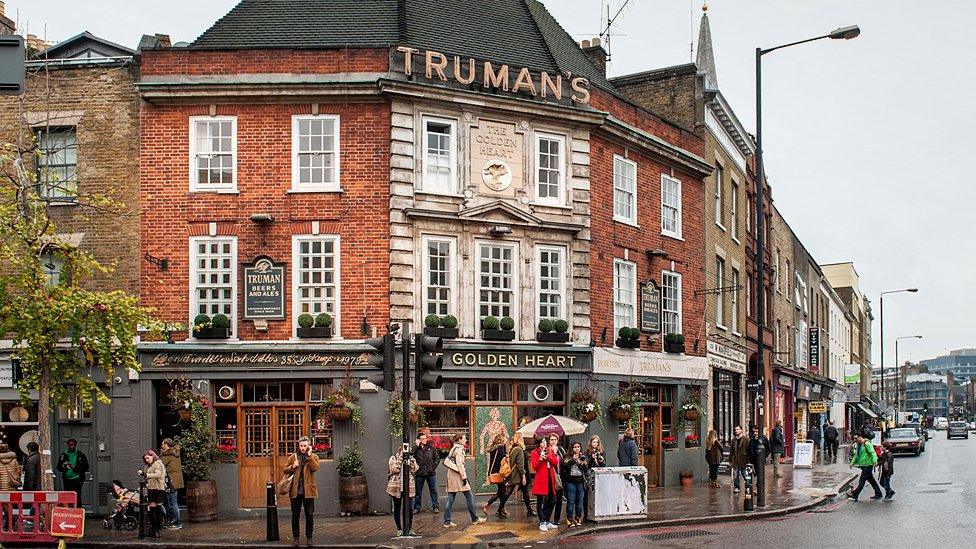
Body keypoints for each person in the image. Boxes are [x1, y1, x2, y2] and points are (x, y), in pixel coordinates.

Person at [282, 436, 320, 546]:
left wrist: (309, 457)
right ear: (298, 446)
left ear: (308, 446)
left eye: (305, 446)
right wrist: (292, 467)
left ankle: (309, 538)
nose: (303, 448)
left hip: (308, 491)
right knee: (295, 515)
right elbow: (285, 469)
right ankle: (296, 538)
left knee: (309, 515)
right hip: (295, 491)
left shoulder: (314, 456)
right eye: (301, 445)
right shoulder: (293, 457)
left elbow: (315, 468)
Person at [443, 433, 486, 528]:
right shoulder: (458, 450)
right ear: (460, 439)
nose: (466, 439)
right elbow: (460, 465)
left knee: (451, 499)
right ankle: (475, 519)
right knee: (468, 496)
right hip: (457, 477)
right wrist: (464, 478)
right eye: (464, 438)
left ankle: (447, 521)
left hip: (453, 477)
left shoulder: (456, 448)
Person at [530, 436, 560, 532]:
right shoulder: (534, 452)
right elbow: (535, 467)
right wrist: (540, 458)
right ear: (538, 444)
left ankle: (547, 520)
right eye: (542, 442)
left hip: (550, 478)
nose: (544, 444)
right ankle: (542, 522)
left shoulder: (549, 450)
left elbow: (555, 462)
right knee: (540, 501)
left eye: (545, 442)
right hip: (541, 480)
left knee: (553, 500)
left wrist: (548, 456)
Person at [387, 446, 419, 537]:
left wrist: (412, 460)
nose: (406, 453)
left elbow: (415, 469)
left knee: (410, 508)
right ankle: (399, 529)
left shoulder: (410, 459)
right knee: (397, 508)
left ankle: (408, 529)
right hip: (397, 487)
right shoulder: (393, 458)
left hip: (409, 486)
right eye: (405, 451)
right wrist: (401, 457)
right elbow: (394, 469)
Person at [139, 450, 167, 538]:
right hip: (151, 489)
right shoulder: (148, 465)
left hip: (158, 490)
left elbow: (158, 475)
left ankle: (157, 529)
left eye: (148, 457)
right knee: (153, 510)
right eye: (145, 458)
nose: (147, 460)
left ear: (153, 456)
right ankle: (155, 530)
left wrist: (145, 474)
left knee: (157, 510)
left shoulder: (157, 464)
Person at [848, 432, 882, 501]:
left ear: (860, 437)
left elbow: (872, 453)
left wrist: (875, 461)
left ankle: (855, 494)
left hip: (868, 465)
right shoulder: (859, 445)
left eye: (856, 438)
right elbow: (856, 455)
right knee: (871, 480)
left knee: (862, 481)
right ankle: (879, 494)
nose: (855, 440)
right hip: (863, 465)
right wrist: (852, 463)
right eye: (854, 438)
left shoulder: (867, 444)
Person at [412, 432, 440, 514]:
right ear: (419, 440)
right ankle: (417, 507)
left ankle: (436, 506)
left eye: (425, 438)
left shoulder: (431, 447)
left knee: (433, 490)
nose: (425, 440)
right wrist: (416, 446)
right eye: (423, 438)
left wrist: (432, 467)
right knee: (418, 491)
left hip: (430, 472)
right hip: (420, 473)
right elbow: (410, 454)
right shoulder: (416, 448)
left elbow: (437, 458)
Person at [505, 435, 533, 517]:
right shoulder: (519, 449)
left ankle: (530, 510)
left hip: (515, 474)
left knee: (525, 492)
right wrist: (523, 475)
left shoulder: (513, 449)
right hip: (518, 475)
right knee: (510, 491)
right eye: (522, 438)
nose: (524, 440)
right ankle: (499, 508)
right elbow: (520, 464)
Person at [561, 442, 588, 527]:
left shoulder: (582, 456)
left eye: (578, 447)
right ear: (571, 448)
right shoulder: (567, 456)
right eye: (575, 447)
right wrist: (573, 459)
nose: (577, 449)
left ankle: (578, 518)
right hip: (570, 482)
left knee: (579, 502)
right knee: (571, 501)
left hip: (580, 482)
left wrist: (580, 461)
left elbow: (585, 469)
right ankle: (569, 519)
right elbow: (565, 466)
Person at [482, 434, 509, 517]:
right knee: (502, 491)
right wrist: (507, 456)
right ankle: (487, 504)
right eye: (504, 438)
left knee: (502, 491)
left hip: (494, 471)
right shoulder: (501, 448)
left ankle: (501, 509)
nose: (506, 440)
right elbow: (502, 460)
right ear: (501, 439)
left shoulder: (494, 448)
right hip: (500, 472)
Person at [56, 439, 89, 506]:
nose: (72, 447)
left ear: (75, 445)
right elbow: (58, 467)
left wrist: (74, 467)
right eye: (70, 445)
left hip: (77, 479)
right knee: (68, 497)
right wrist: (63, 466)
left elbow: (86, 467)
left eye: (73, 445)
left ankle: (78, 512)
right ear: (67, 445)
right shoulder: (64, 455)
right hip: (67, 479)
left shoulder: (80, 455)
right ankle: (70, 512)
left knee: (77, 496)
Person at [160, 438, 184, 529]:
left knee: (172, 502)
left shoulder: (168, 455)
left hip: (171, 482)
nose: (162, 446)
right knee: (171, 501)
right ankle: (173, 520)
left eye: (163, 444)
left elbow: (159, 464)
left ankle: (177, 522)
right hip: (176, 481)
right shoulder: (175, 453)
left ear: (166, 445)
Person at [729, 426, 750, 494]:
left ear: (741, 430)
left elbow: (748, 450)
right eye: (735, 429)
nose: (736, 431)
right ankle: (737, 487)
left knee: (745, 475)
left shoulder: (746, 439)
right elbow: (731, 450)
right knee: (736, 475)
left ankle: (748, 487)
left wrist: (748, 460)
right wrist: (730, 460)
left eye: (737, 429)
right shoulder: (734, 439)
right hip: (736, 460)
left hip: (743, 460)